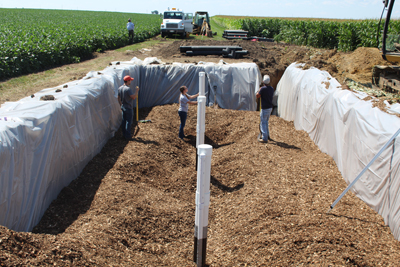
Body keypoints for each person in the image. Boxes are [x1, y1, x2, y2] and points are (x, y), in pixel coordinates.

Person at [118, 75, 139, 140]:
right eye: (130, 80)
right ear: (127, 81)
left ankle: (124, 135)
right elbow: (133, 97)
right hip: (128, 108)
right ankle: (128, 136)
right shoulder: (128, 89)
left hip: (123, 107)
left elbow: (118, 98)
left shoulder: (120, 88)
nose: (131, 82)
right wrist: (136, 91)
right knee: (128, 122)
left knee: (124, 121)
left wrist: (121, 105)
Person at [256, 75, 274, 143]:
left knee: (263, 122)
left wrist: (259, 90)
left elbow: (258, 96)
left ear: (263, 81)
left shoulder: (263, 89)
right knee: (266, 121)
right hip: (270, 108)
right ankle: (267, 135)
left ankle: (264, 138)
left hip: (264, 108)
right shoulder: (271, 88)